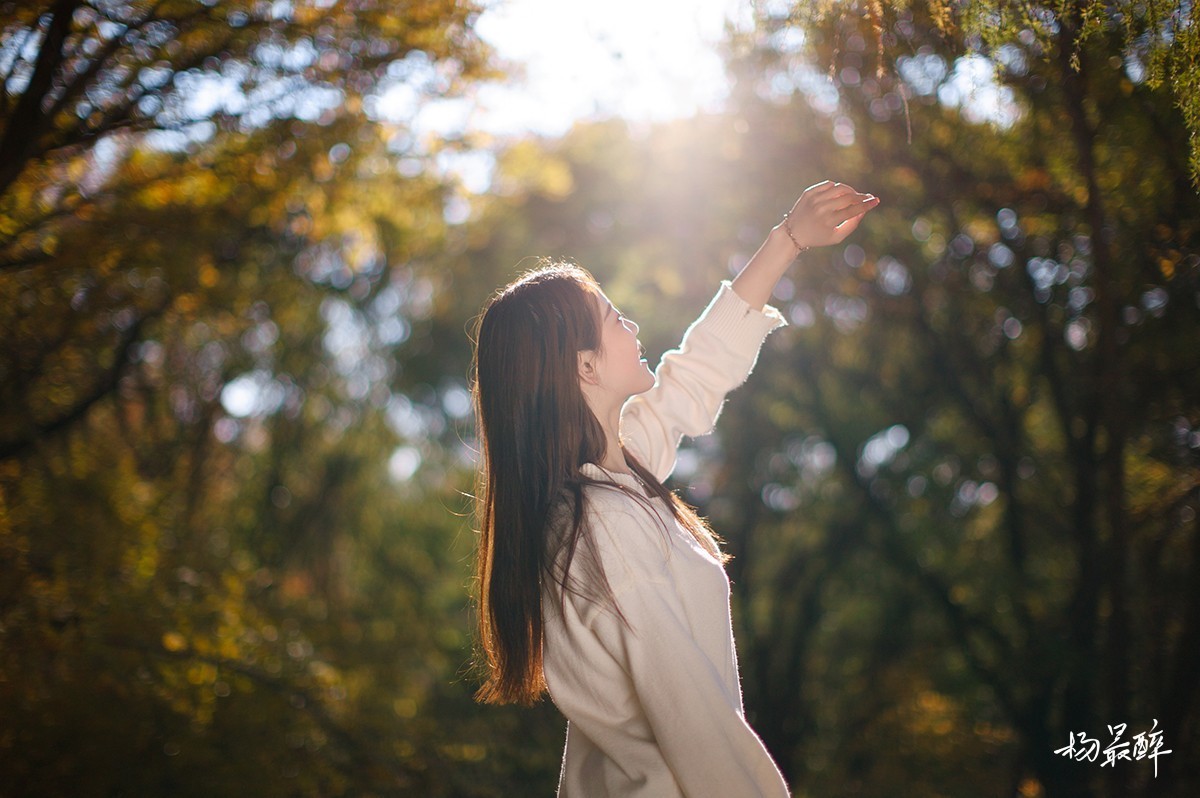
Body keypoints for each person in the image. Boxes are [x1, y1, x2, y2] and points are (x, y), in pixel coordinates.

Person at [471, 181, 880, 796]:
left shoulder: (611, 484)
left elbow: (693, 376)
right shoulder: (604, 524)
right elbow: (696, 725)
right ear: (586, 366)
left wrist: (789, 239)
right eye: (614, 319)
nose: (631, 324)